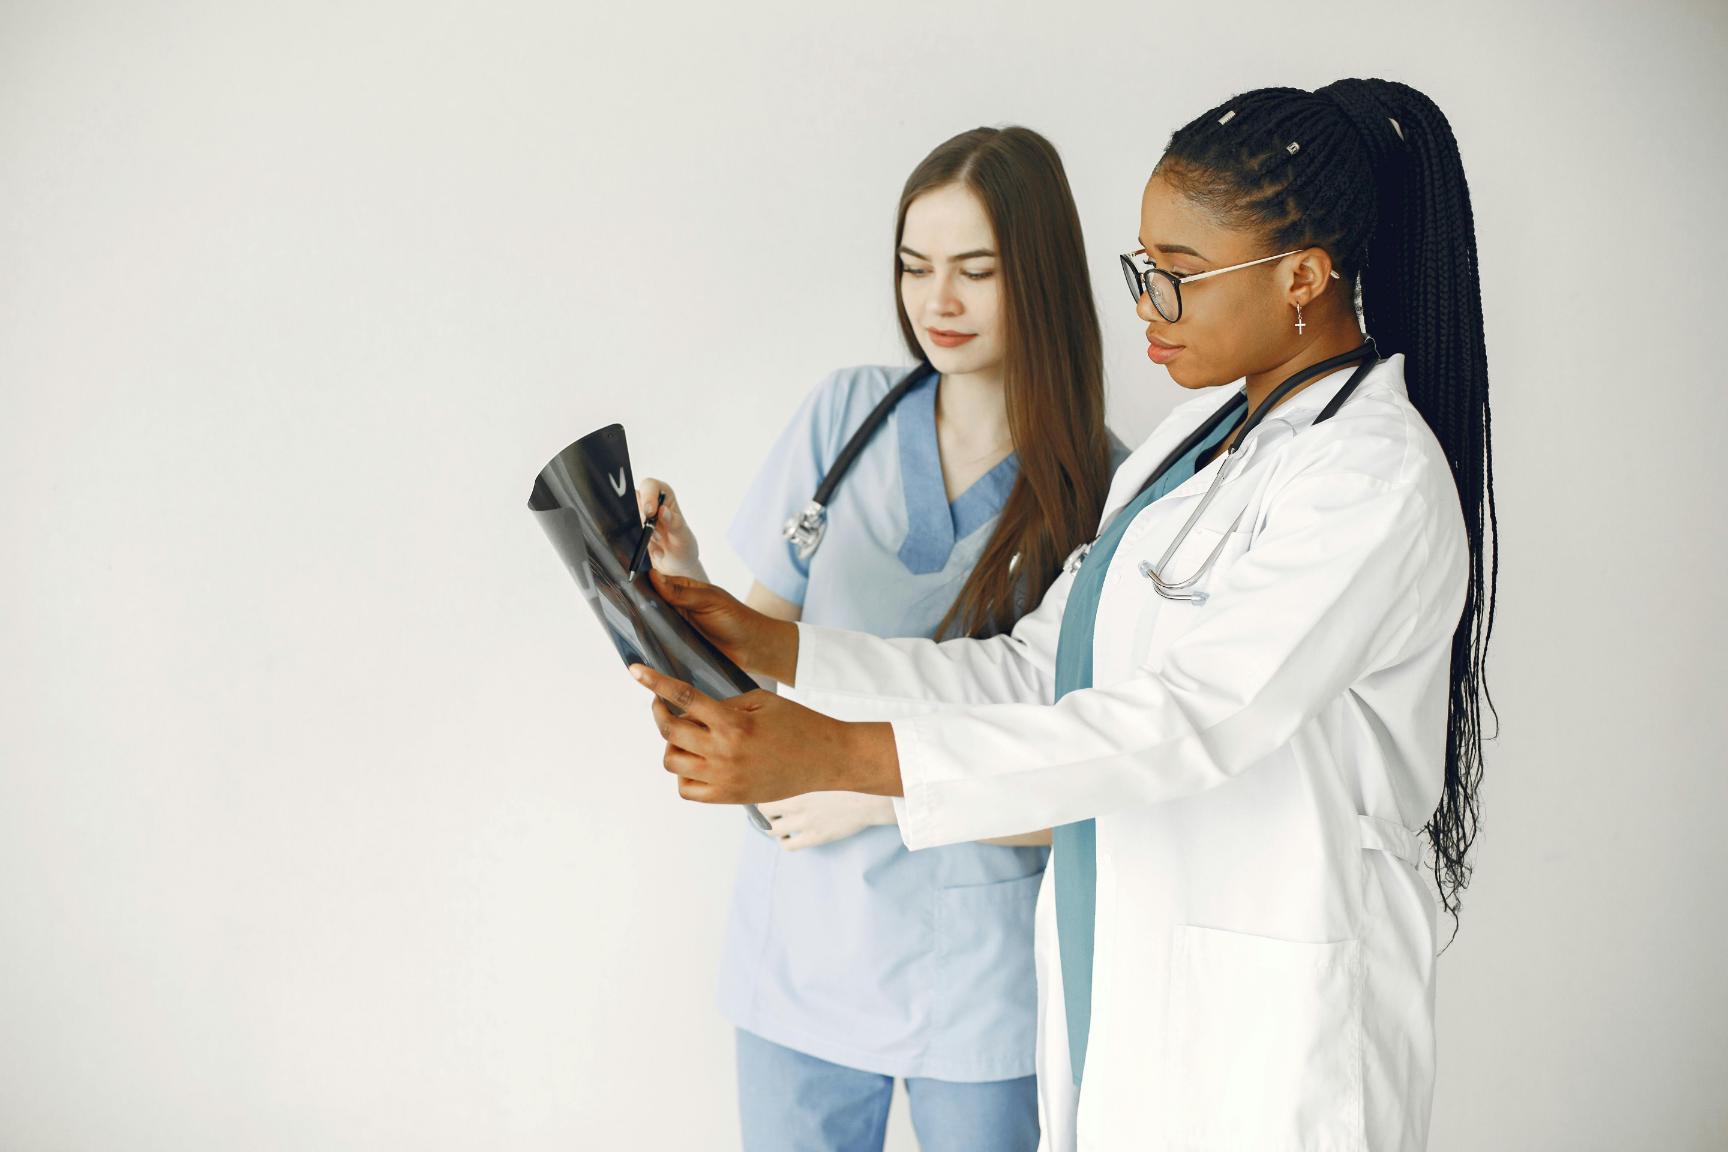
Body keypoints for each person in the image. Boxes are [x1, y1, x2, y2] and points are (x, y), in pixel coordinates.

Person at [631, 78, 1498, 1151]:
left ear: (1303, 279)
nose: (1146, 305)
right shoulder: (1186, 454)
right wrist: (766, 639)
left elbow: (1187, 720)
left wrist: (844, 757)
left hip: (1273, 1037)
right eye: (1142, 269)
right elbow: (1034, 671)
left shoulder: (1369, 479)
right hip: (1128, 1004)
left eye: (1178, 274)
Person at [635, 126, 1126, 1152]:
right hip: (801, 945)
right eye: (914, 267)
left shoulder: (1105, 493)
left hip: (975, 978)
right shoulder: (845, 414)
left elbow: (1088, 781)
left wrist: (876, 797)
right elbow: (753, 674)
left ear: (1038, 275)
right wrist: (683, 577)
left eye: (975, 271)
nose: (937, 301)